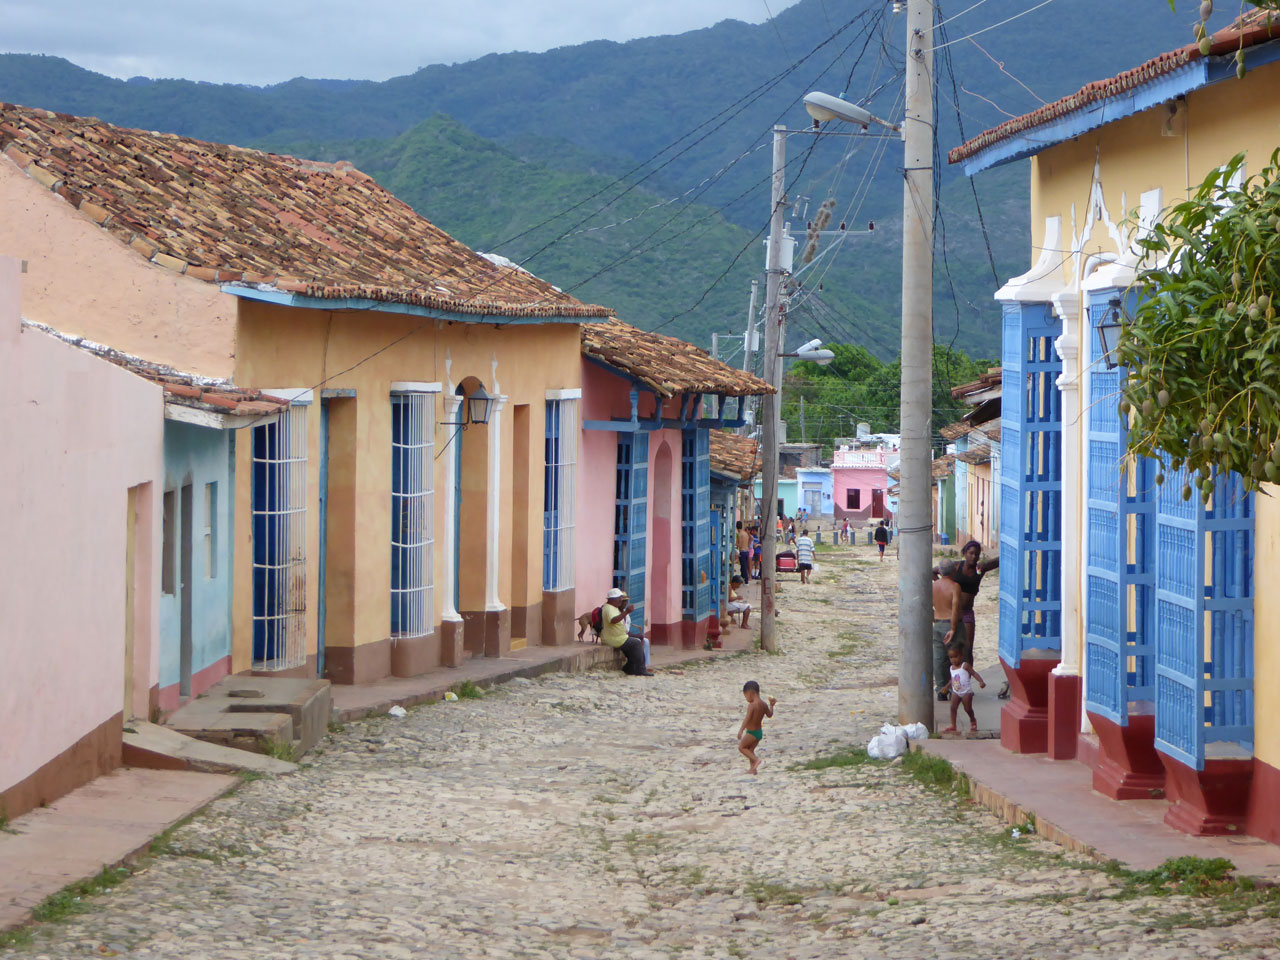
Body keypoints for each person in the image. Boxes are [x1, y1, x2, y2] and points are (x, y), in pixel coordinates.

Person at [934, 540, 1000, 688]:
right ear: (964, 553)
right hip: (951, 613)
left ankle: (964, 683)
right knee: (949, 649)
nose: (974, 556)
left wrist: (985, 563)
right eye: (970, 553)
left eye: (976, 554)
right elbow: (934, 571)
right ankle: (948, 682)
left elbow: (999, 561)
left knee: (967, 649)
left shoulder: (979, 569)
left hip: (967, 613)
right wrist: (944, 587)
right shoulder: (956, 566)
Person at [600, 587, 652, 677]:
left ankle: (630, 668)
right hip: (614, 639)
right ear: (612, 599)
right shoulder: (609, 608)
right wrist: (626, 612)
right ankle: (640, 669)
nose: (621, 600)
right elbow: (614, 620)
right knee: (636, 644)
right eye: (619, 598)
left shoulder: (613, 607)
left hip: (619, 637)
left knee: (633, 647)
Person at [940, 640, 985, 734]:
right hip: (956, 691)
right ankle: (953, 725)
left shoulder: (965, 666)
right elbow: (952, 680)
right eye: (951, 657)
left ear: (961, 655)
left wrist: (980, 681)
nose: (953, 660)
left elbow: (974, 673)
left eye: (956, 656)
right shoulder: (951, 668)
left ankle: (973, 720)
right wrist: (946, 687)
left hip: (966, 692)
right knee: (953, 707)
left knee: (967, 708)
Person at [932, 575, 963, 701]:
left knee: (939, 658)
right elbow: (955, 608)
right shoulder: (954, 586)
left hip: (938, 623)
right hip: (950, 624)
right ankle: (956, 688)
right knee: (956, 656)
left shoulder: (934, 586)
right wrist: (954, 628)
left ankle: (941, 689)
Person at [737, 680, 776, 774]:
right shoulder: (763, 704)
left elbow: (747, 718)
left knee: (742, 748)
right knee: (750, 750)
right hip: (759, 733)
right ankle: (753, 769)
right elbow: (770, 715)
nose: (746, 698)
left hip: (751, 733)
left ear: (750, 694)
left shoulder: (752, 705)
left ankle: (757, 760)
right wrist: (771, 705)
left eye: (746, 696)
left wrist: (741, 730)